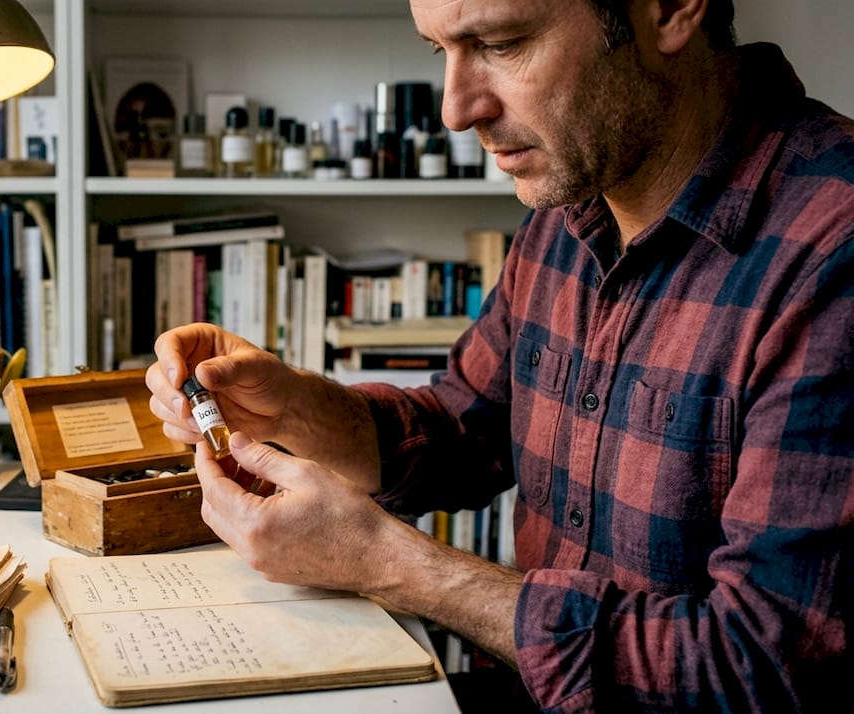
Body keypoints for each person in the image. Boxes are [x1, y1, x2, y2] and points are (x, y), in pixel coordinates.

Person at [145, 0, 853, 711]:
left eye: (503, 43)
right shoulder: (567, 208)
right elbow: (460, 432)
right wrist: (294, 407)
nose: (455, 110)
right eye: (438, 51)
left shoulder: (833, 248)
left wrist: (390, 565)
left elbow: (764, 663)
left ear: (668, 10)